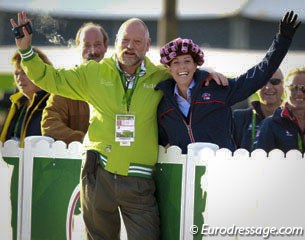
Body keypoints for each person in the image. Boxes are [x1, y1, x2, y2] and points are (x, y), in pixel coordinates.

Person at [10, 13, 228, 239]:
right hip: (98, 174)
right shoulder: (93, 73)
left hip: (139, 181)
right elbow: (49, 77)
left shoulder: (159, 77)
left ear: (147, 46)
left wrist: (208, 74)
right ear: (115, 43)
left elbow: (185, 73)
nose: (130, 47)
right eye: (125, 40)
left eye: (137, 42)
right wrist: (26, 50)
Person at [155, 11, 300, 154]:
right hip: (185, 173)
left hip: (221, 170)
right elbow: (156, 140)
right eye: (176, 62)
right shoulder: (164, 104)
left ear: (195, 65)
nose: (182, 67)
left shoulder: (218, 88)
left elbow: (259, 75)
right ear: (169, 68)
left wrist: (282, 40)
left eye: (187, 61)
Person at [41, 22, 109, 144]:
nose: (92, 51)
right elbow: (49, 124)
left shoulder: (117, 82)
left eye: (97, 44)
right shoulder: (66, 83)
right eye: (86, 45)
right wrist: (86, 141)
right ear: (78, 47)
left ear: (106, 47)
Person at [0, 48, 52, 147]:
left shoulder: (53, 103)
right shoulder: (16, 102)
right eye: (16, 73)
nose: (19, 78)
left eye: (24, 72)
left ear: (41, 72)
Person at [254, 67, 305, 153]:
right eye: (293, 87)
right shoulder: (270, 124)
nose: (299, 93)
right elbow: (260, 161)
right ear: (285, 91)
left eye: (304, 88)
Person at [233, 68, 284, 151]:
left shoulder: (293, 117)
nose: (268, 87)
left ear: (283, 86)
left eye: (275, 82)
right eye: (263, 82)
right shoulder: (239, 118)